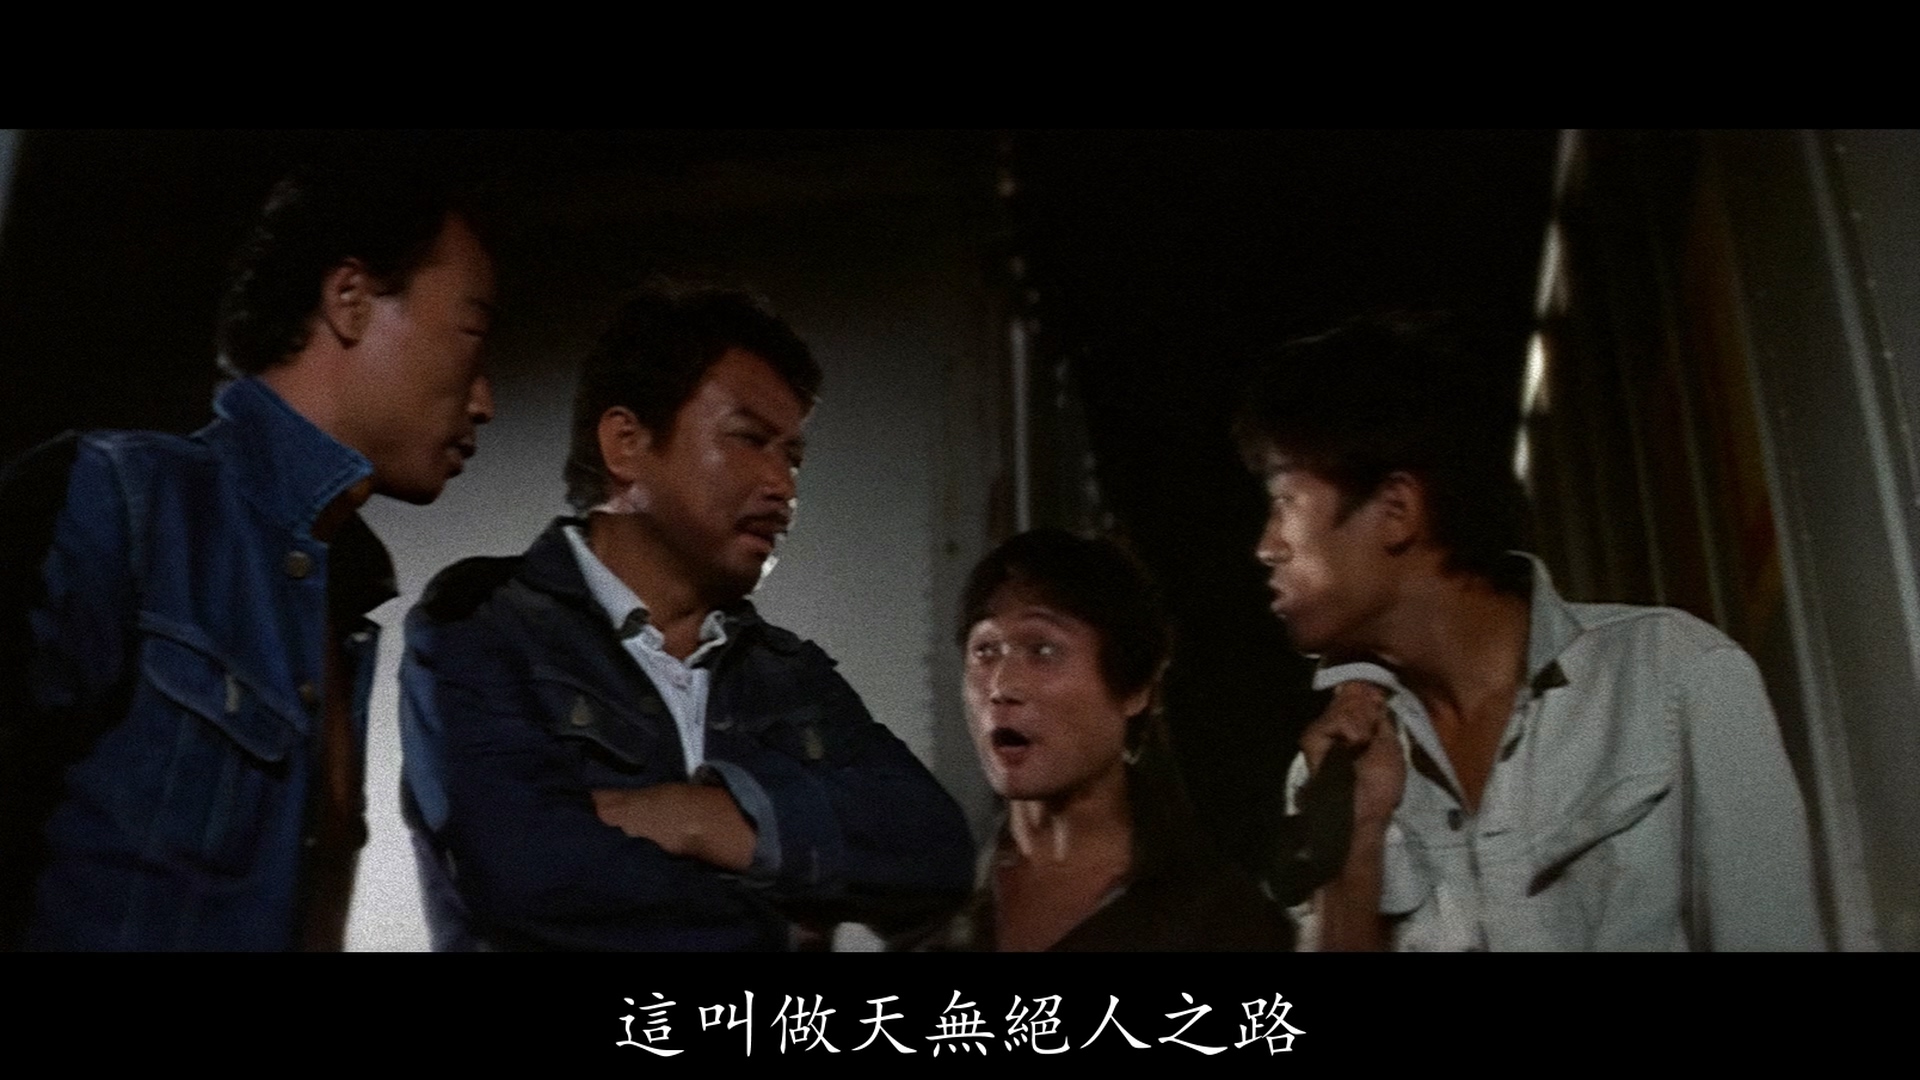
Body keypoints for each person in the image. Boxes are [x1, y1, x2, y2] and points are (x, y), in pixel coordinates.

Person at [1, 160, 498, 950]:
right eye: (471, 333)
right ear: (350, 298)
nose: (483, 400)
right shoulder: (120, 500)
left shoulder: (340, 609)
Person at [399, 285, 974, 951]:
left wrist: (704, 818)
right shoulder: (486, 623)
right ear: (626, 444)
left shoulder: (786, 676)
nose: (783, 486)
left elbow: (936, 853)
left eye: (792, 457)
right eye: (749, 439)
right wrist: (779, 927)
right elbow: (528, 874)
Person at [1235, 312, 1825, 951]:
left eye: (1284, 503)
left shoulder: (1675, 676)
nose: (1266, 548)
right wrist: (1354, 851)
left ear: (1396, 510)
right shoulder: (1332, 772)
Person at [922, 528, 1289, 951]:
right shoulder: (937, 902)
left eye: (1043, 651)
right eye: (986, 651)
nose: (1002, 686)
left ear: (1134, 689)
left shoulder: (1217, 917)